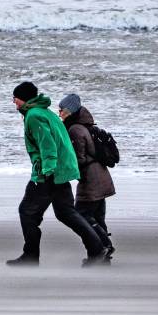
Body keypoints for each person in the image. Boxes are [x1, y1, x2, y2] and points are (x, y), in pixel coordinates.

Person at [6, 81, 110, 268]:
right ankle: (97, 249)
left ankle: (30, 256)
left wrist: (46, 172)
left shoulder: (34, 115)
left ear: (23, 98)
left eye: (15, 98)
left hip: (48, 173)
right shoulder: (46, 113)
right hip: (60, 172)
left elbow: (48, 146)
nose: (14, 102)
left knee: (27, 212)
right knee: (66, 213)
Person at [59, 94, 115, 259]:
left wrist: (65, 170)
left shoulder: (75, 129)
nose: (59, 113)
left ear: (70, 111)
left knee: (82, 214)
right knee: (97, 216)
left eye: (62, 110)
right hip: (102, 176)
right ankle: (106, 249)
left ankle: (103, 245)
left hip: (91, 179)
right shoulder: (87, 126)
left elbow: (79, 158)